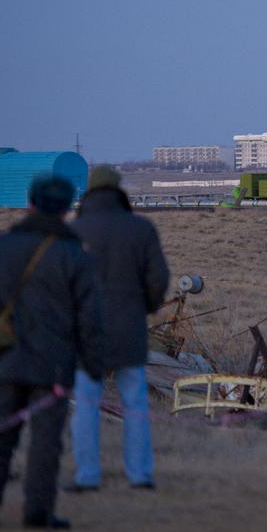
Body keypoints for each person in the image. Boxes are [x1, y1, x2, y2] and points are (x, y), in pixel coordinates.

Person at [0, 175, 103, 530]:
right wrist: (93, 363)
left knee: (0, 436)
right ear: (65, 209)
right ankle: (37, 513)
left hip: (8, 360)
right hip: (54, 366)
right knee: (46, 442)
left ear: (30, 204)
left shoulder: (0, 248)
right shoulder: (74, 254)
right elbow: (89, 318)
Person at [66, 166, 168, 493]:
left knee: (85, 403)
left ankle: (87, 476)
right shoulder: (141, 229)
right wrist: (145, 307)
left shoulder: (74, 231)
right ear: (118, 190)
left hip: (86, 331)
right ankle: (140, 475)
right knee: (135, 402)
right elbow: (158, 279)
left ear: (90, 192)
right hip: (129, 326)